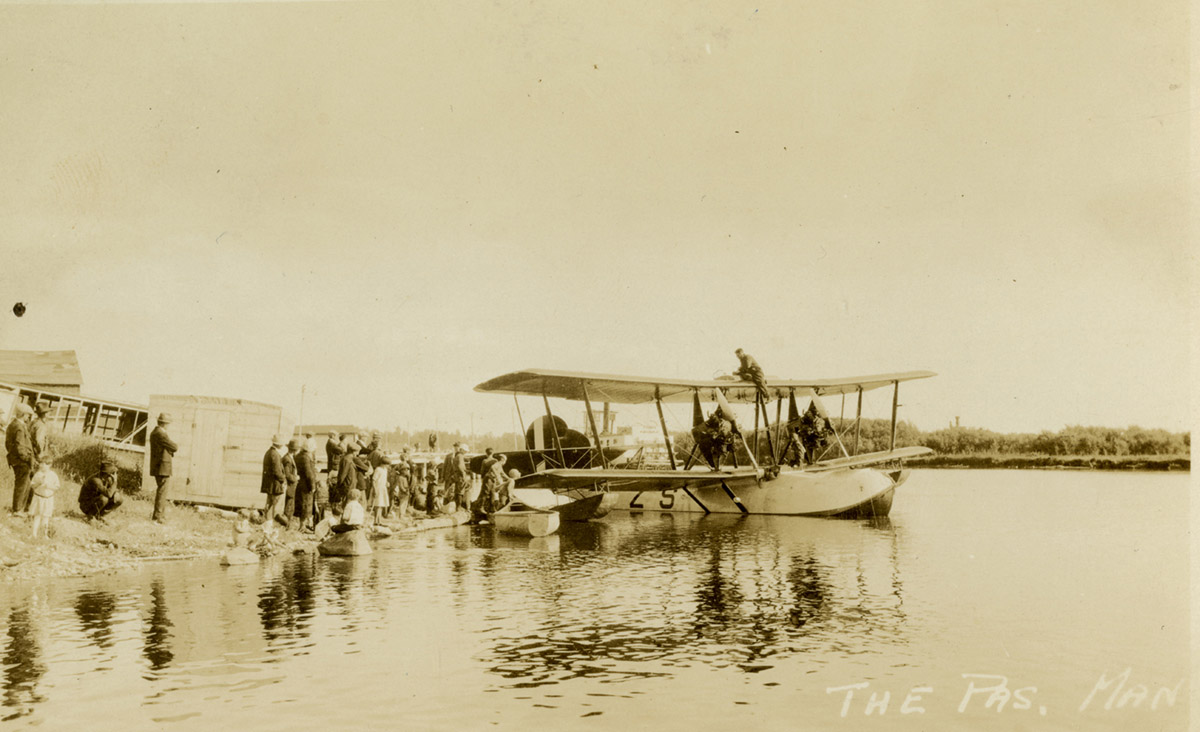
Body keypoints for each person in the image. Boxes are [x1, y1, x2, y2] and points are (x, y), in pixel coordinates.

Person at [148, 412, 178, 523]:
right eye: (168, 424)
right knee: (162, 491)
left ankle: (160, 515)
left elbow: (168, 447)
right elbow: (174, 447)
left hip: (161, 466)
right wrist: (170, 449)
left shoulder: (156, 433)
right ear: (165, 424)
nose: (168, 426)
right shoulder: (160, 434)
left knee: (163, 491)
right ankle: (158, 516)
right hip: (162, 467)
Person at [6, 402, 34, 516]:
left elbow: (9, 445)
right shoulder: (19, 427)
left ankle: (19, 508)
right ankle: (17, 509)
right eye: (27, 415)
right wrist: (27, 458)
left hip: (15, 459)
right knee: (22, 485)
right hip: (21, 461)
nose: (28, 417)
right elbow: (20, 446)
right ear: (23, 414)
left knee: (23, 484)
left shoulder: (12, 424)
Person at [29, 462, 61, 539]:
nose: (41, 466)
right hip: (38, 497)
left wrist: (49, 486)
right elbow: (32, 486)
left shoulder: (53, 475)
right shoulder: (38, 474)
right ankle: (34, 534)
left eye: (44, 464)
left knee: (46, 516)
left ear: (49, 465)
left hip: (48, 498)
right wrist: (38, 483)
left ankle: (44, 535)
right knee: (37, 515)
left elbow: (57, 487)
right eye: (41, 464)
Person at [260, 435, 286, 525]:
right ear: (279, 445)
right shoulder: (274, 454)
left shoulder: (269, 452)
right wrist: (283, 480)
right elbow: (277, 471)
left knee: (270, 503)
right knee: (274, 504)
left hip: (270, 483)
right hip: (274, 484)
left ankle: (267, 521)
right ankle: (270, 522)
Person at [295, 439, 317, 530]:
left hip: (301, 484)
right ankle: (303, 526)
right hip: (306, 485)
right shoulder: (306, 457)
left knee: (302, 505)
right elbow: (308, 473)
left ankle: (303, 525)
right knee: (305, 505)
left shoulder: (298, 455)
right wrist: (312, 485)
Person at [281, 439, 300, 527]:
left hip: (291, 485)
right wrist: (295, 478)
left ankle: (287, 524)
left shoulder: (289, 457)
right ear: (294, 450)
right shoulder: (287, 459)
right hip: (290, 485)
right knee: (289, 506)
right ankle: (286, 525)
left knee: (290, 506)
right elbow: (287, 474)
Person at [370, 458, 390, 526]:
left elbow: (384, 478)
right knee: (377, 505)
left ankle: (379, 521)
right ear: (383, 463)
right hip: (378, 488)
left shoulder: (385, 470)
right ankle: (376, 521)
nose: (388, 466)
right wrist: (375, 489)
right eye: (387, 464)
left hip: (383, 488)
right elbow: (373, 480)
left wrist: (386, 482)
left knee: (381, 505)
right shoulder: (378, 469)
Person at [30, 402, 50, 467]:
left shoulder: (34, 422)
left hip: (31, 451)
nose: (49, 413)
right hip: (38, 454)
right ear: (45, 414)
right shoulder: (41, 425)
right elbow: (39, 440)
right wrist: (41, 454)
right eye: (48, 412)